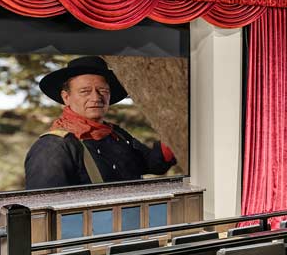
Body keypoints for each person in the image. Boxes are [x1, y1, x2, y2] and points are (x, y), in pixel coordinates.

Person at [23, 56, 177, 189]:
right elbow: (45, 211)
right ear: (66, 97)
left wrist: (175, 131)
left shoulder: (116, 134)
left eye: (103, 91)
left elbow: (152, 164)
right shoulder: (53, 147)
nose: (96, 98)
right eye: (85, 91)